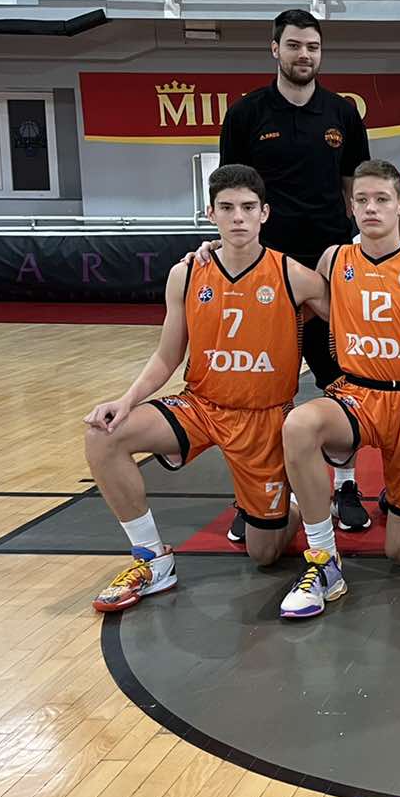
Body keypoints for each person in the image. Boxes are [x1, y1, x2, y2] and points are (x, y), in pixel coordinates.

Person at [85, 164, 327, 612]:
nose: (238, 217)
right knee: (103, 436)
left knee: (265, 554)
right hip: (201, 405)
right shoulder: (187, 273)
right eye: (227, 208)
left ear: (265, 213)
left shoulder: (293, 275)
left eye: (248, 208)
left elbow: (352, 320)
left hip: (263, 418)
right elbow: (167, 356)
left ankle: (288, 505)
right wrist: (126, 400)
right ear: (210, 214)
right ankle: (152, 558)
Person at [273, 160, 400, 619]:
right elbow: (282, 284)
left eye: (381, 199)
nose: (371, 208)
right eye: (362, 200)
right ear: (350, 208)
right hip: (358, 395)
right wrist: (214, 250)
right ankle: (323, 559)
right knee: (299, 425)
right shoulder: (334, 260)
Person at [219, 9, 371, 541]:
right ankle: (258, 495)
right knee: (264, 390)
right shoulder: (246, 114)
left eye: (312, 46)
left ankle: (347, 486)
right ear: (275, 49)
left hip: (328, 270)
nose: (304, 55)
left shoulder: (342, 113)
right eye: (294, 45)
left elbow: (356, 189)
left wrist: (363, 254)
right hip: (267, 274)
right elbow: (231, 193)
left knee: (339, 381)